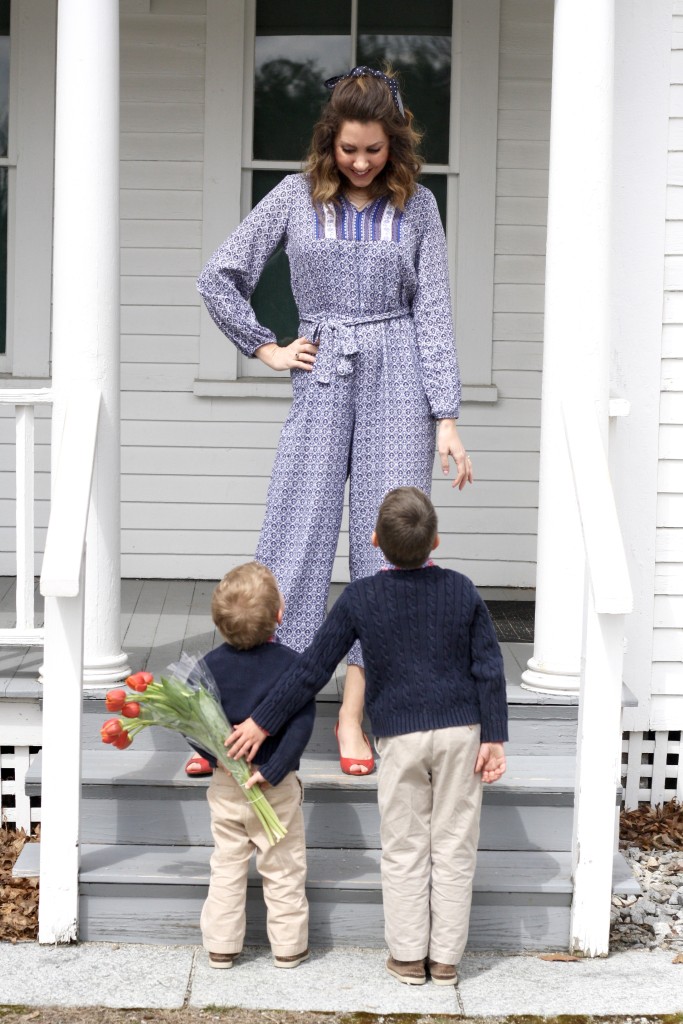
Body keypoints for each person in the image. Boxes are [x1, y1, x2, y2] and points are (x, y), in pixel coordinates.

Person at [197, 66, 473, 778]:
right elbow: (219, 273)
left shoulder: (418, 207)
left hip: (399, 375)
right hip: (321, 370)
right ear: (329, 141)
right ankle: (254, 711)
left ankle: (353, 715)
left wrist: (445, 415)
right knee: (294, 534)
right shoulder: (293, 195)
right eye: (348, 149)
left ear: (394, 145)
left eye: (373, 151)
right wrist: (265, 346)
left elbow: (434, 311)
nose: (359, 162)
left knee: (386, 555)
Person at [226, 487, 508, 987]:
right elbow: (488, 665)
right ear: (436, 540)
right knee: (454, 845)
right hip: (461, 732)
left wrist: (261, 720)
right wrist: (494, 736)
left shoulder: (361, 597)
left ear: (375, 540)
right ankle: (444, 960)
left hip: (401, 739)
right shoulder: (462, 589)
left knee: (404, 848)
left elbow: (313, 668)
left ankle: (406, 958)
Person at [194, 561, 314, 971]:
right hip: (274, 787)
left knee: (226, 866)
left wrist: (218, 759)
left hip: (228, 786)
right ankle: (289, 947)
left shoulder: (207, 667)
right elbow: (301, 722)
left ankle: (222, 947)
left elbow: (190, 724)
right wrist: (277, 767)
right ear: (279, 615)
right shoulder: (292, 666)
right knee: (283, 866)